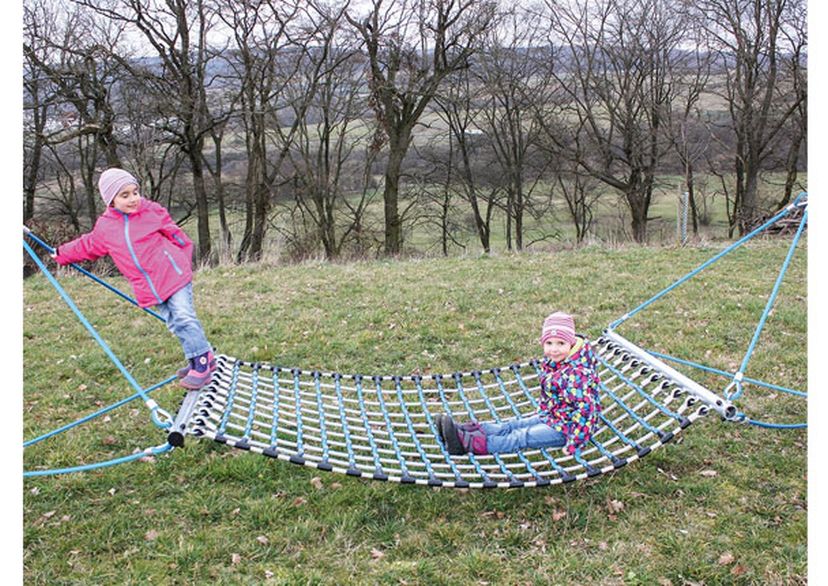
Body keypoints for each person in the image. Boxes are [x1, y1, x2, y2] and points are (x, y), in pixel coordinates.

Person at [52, 168, 215, 390]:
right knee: (175, 324)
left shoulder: (151, 212)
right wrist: (61, 253)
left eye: (135, 192)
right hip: (150, 287)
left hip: (173, 275)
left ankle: (202, 364)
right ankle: (200, 357)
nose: (133, 199)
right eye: (125, 195)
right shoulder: (106, 227)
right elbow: (87, 245)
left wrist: (183, 260)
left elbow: (176, 234)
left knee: (184, 317)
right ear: (111, 200)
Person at [436, 311, 602, 456]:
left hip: (569, 429)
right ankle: (463, 431)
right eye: (549, 343)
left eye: (561, 343)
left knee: (521, 436)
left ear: (571, 343)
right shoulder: (559, 361)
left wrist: (574, 443)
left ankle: (469, 444)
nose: (554, 349)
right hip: (554, 416)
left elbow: (586, 411)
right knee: (512, 425)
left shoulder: (578, 374)